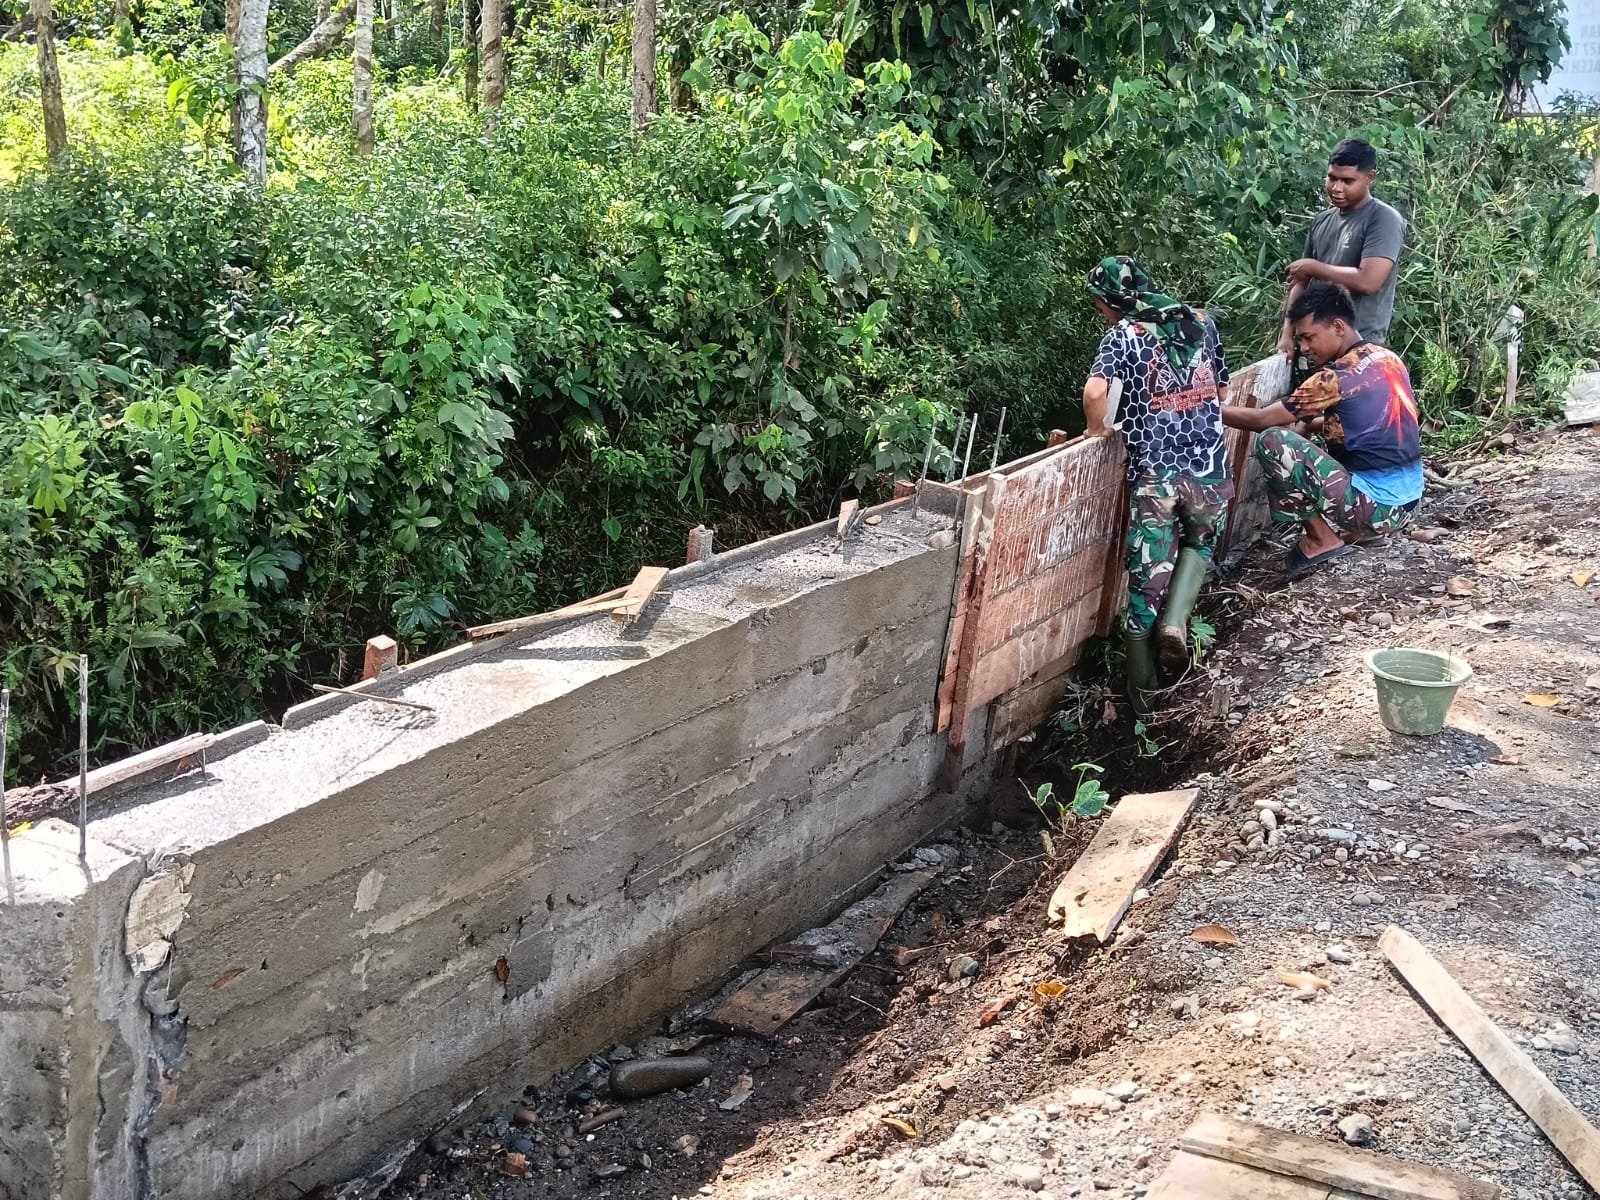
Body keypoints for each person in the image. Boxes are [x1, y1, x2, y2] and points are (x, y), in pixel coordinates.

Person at [1081, 256, 1232, 705]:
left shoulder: (1124, 335)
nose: (1101, 314)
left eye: (1099, 306)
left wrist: (1096, 429)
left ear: (1109, 300)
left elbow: (1095, 391)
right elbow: (1222, 391)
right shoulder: (1202, 323)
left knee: (1144, 586)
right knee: (1200, 543)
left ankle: (1144, 702)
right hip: (1210, 469)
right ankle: (1176, 622)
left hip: (1157, 477)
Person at [1224, 281, 1422, 580]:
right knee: (1303, 430)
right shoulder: (1387, 358)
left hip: (1378, 510)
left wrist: (1203, 408)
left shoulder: (1334, 377)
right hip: (1408, 504)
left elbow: (1262, 419)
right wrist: (1307, 424)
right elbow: (1371, 424)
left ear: (1338, 327)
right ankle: (1364, 528)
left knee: (1273, 440)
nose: (1304, 348)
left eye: (1308, 337)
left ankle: (1320, 539)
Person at [1278, 137, 1405, 362]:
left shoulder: (1383, 219)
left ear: (1369, 177)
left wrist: (1313, 267)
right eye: (1331, 178)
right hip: (1314, 347)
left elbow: (1368, 281)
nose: (1336, 188)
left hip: (1359, 348)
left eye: (1347, 181)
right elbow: (1301, 282)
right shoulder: (1322, 220)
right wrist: (1287, 335)